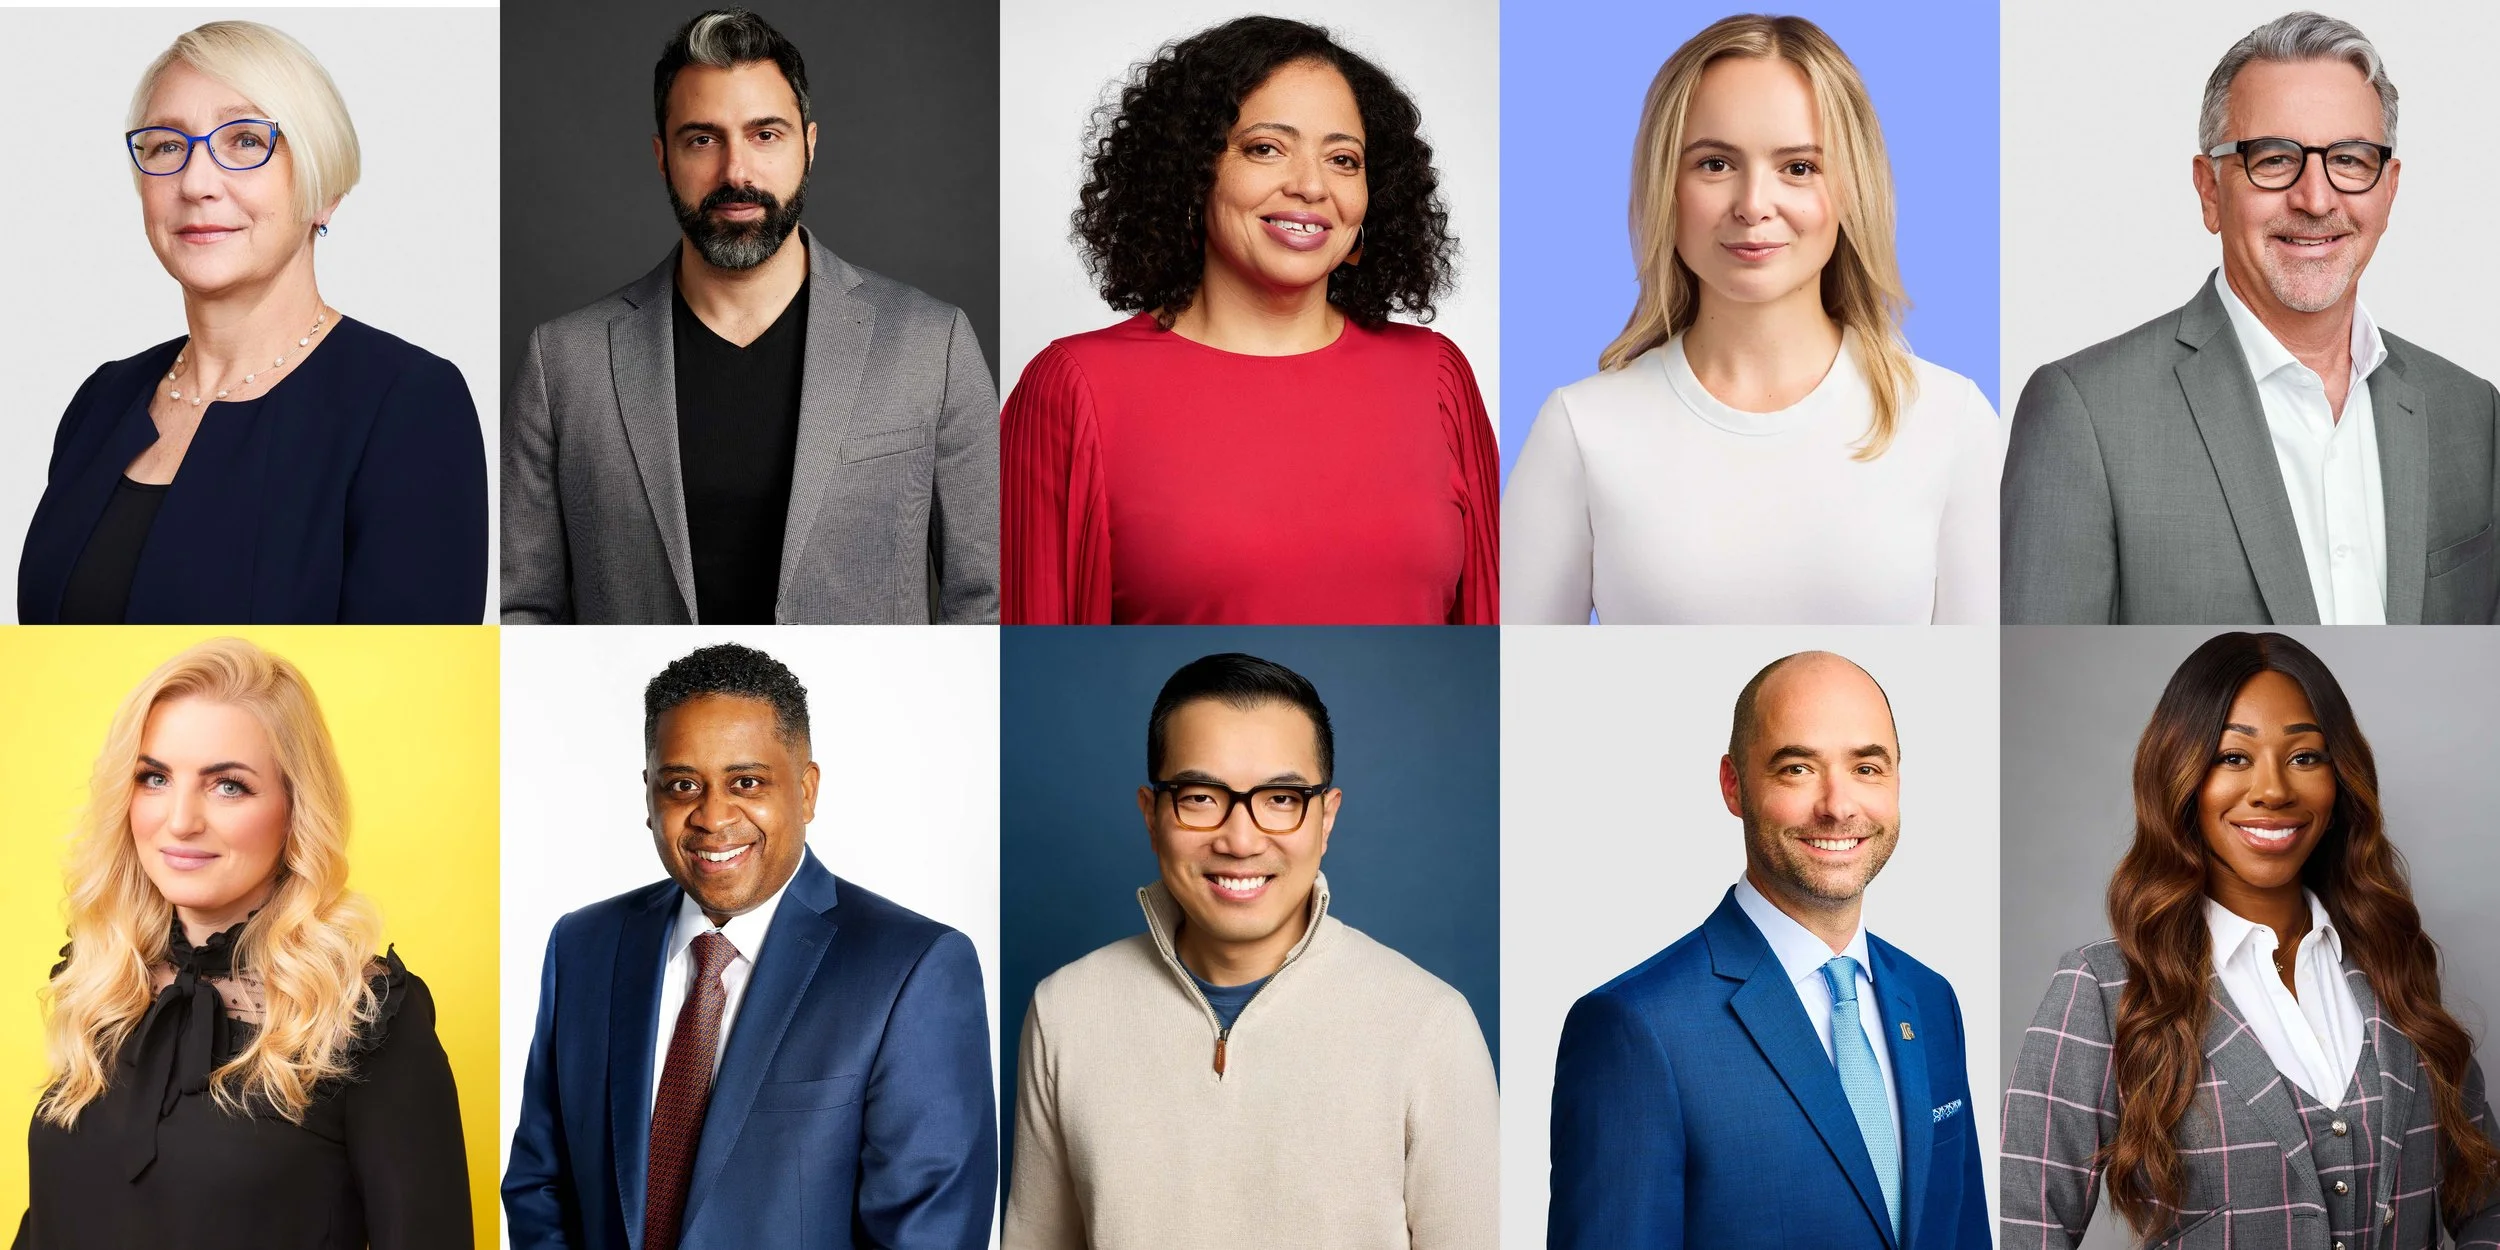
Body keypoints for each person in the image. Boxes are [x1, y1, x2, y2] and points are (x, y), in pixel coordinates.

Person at [2001, 632, 2500, 1247]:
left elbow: (2488, 1199)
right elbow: (2020, 1227)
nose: (2273, 790)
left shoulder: (2393, 967)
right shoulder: (2106, 991)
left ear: (2340, 778)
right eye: (2233, 757)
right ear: (2182, 776)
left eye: (2306, 757)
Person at [502, 8, 998, 626]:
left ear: (809, 146)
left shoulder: (934, 345)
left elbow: (985, 601)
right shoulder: (563, 364)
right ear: (663, 156)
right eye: (702, 139)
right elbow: (524, 611)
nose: (736, 172)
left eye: (766, 134)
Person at [2003, 12, 2500, 625]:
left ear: (2389, 189)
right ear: (2210, 191)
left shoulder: (2472, 414)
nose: (2315, 199)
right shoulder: (2085, 416)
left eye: (2348, 159)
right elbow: (2044, 690)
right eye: (2273, 159)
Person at [1001, 18, 1499, 625]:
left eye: (1343, 159)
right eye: (1266, 148)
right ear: (1192, 169)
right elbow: (1034, 671)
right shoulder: (1075, 390)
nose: (1312, 186)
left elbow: (1490, 650)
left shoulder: (1436, 377)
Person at [1505, 16, 2000, 625]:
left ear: (1852, 188)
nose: (1753, 205)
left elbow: (1974, 690)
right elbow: (1531, 692)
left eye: (1798, 167)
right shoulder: (1580, 430)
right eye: (1715, 164)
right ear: (1666, 184)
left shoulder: (1951, 423)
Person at [503, 643, 995, 1250]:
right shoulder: (582, 947)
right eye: (682, 785)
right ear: (649, 796)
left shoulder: (915, 968)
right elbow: (539, 1184)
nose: (713, 816)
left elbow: (928, 1235)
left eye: (747, 782)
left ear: (807, 791)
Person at [1004, 653, 1497, 1248]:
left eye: (1281, 800)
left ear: (1326, 818)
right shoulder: (1065, 1010)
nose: (1240, 839)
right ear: (1151, 814)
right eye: (1201, 797)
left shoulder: (1429, 1024)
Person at [15, 21, 486, 624]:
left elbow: (419, 684)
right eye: (166, 146)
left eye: (243, 141)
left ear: (323, 188)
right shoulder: (102, 399)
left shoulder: (409, 402)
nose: (195, 182)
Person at [16, 638, 468, 1248]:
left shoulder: (365, 1019)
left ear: (294, 806)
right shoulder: (97, 978)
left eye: (227, 785)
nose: (179, 820)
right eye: (153, 777)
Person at [1549, 651, 1988, 1248]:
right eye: (1797, 769)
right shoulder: (1636, 1029)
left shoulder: (1933, 1001)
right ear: (1734, 786)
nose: (1838, 805)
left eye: (1867, 767)